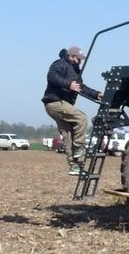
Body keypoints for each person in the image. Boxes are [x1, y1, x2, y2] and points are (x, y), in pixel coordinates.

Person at [42, 46, 103, 175]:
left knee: (68, 135)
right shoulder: (59, 64)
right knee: (81, 118)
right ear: (71, 56)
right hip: (55, 102)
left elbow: (82, 88)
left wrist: (96, 94)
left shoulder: (76, 71)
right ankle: (79, 146)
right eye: (78, 59)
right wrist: (68, 84)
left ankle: (73, 166)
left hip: (63, 104)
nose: (79, 61)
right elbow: (52, 77)